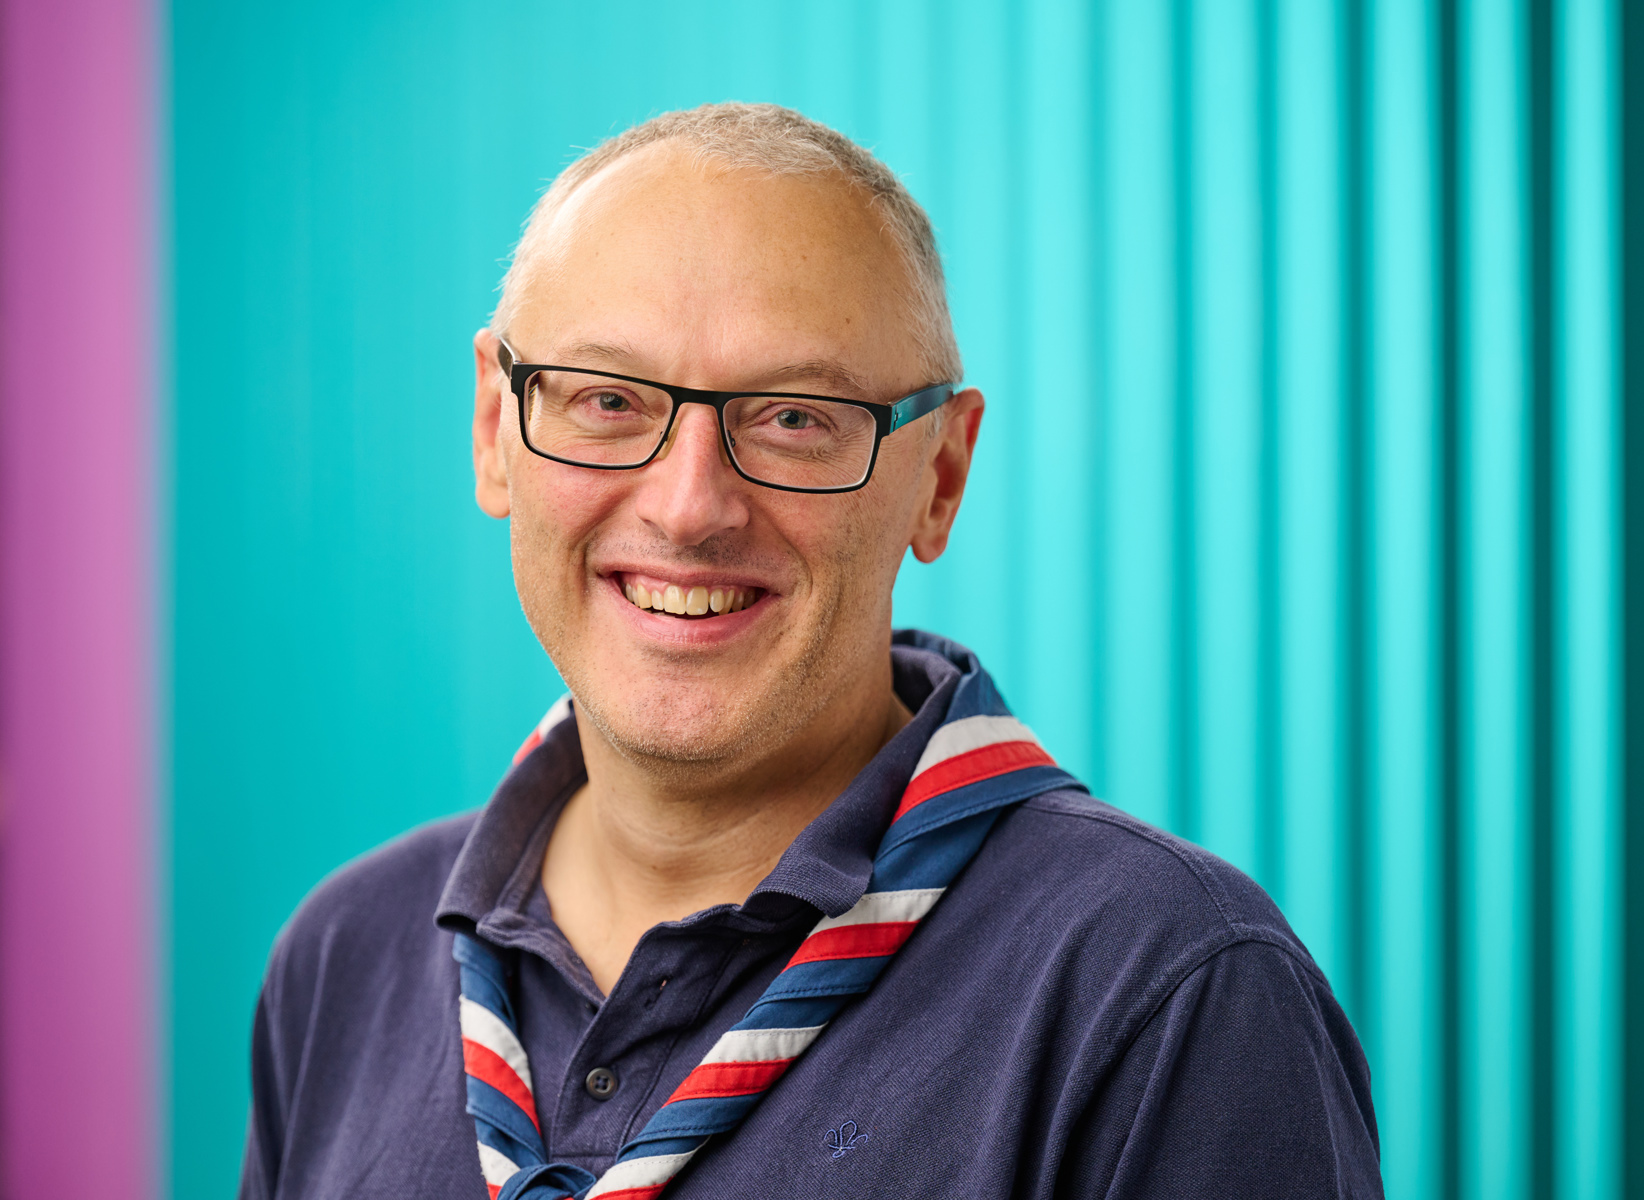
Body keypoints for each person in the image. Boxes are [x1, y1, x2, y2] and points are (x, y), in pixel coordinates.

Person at [239, 102, 1381, 1200]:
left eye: (794, 417)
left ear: (940, 478)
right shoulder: (346, 956)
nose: (690, 508)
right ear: (497, 429)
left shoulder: (1168, 988)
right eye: (606, 400)